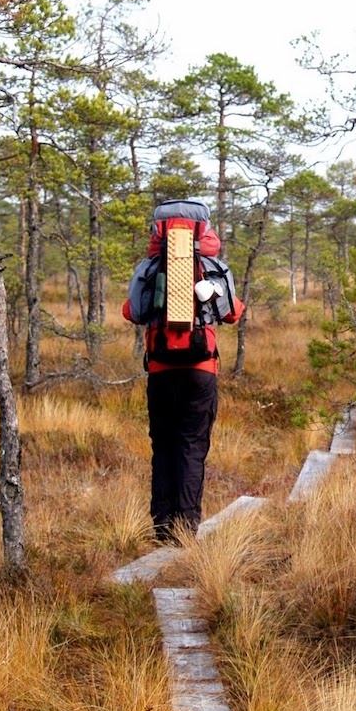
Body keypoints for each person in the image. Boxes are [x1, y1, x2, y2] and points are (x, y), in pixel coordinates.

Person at [121, 199, 245, 543]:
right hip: (200, 369)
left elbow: (132, 312)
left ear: (159, 231)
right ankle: (187, 528)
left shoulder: (148, 266)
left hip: (160, 369)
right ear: (204, 229)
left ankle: (161, 526)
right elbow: (232, 313)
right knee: (192, 445)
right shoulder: (212, 265)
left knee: (163, 446)